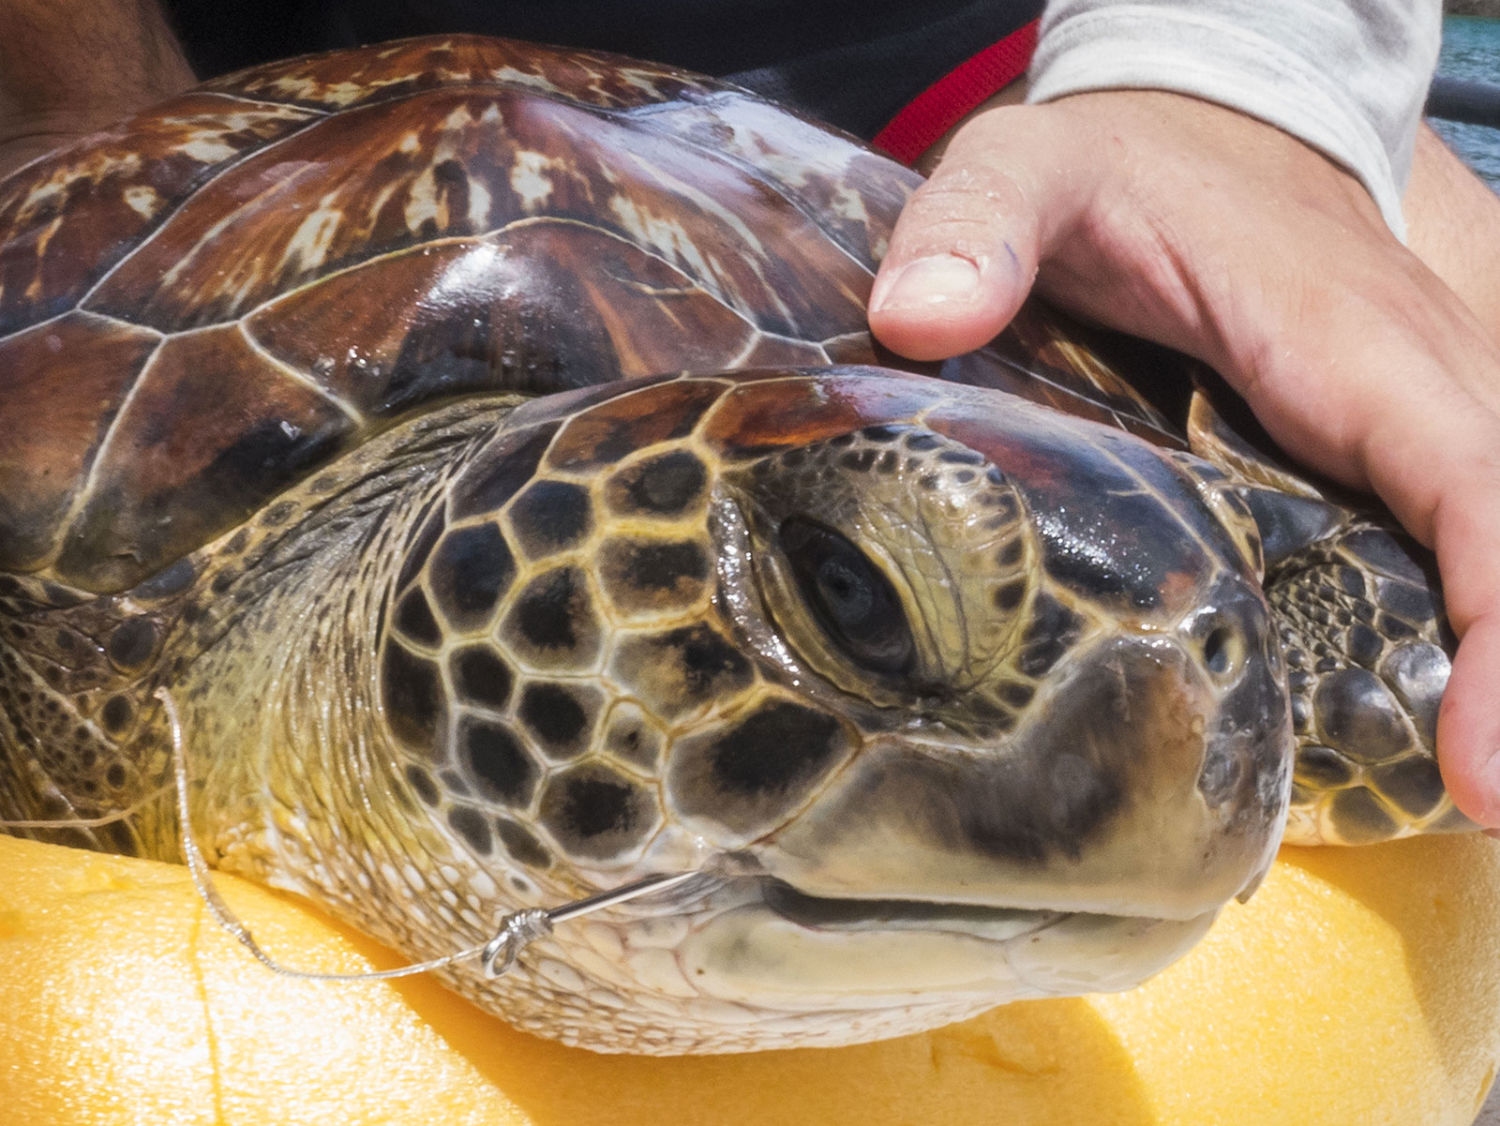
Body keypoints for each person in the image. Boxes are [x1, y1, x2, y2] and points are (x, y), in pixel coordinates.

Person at [2, 0, 1499, 828]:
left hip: (939, 79)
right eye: (849, 603)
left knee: (1432, 391)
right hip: (140, 58)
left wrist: (1236, 86)